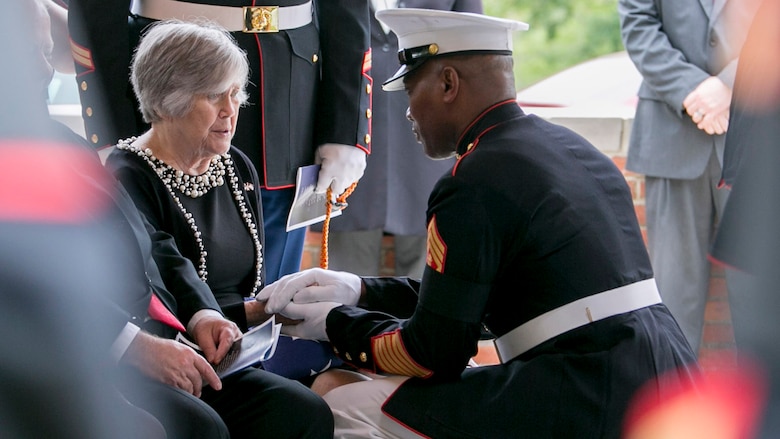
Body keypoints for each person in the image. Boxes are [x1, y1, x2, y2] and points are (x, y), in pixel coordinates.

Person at [258, 9, 700, 438]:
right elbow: (467, 300)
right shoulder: (571, 148)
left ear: (448, 83)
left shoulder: (471, 180)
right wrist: (358, 290)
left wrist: (336, 324)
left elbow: (432, 355)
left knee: (343, 405)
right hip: (666, 375)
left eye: (410, 90)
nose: (408, 113)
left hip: (587, 394)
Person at [20, 4, 335, 438]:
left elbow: (154, 246)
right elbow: (31, 284)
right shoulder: (122, 167)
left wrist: (204, 314)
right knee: (202, 427)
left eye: (47, 51)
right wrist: (132, 346)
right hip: (74, 353)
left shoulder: (63, 146)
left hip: (161, 335)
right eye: (29, 52)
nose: (46, 70)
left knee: (301, 411)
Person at [106, 19, 366, 391]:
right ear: (167, 101)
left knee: (358, 350)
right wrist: (252, 313)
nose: (231, 110)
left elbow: (252, 284)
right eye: (214, 96)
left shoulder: (235, 164)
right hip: (187, 357)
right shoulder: (128, 175)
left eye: (236, 93)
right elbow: (157, 302)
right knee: (320, 394)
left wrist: (279, 305)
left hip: (243, 340)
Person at [66, 0, 371, 286]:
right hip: (174, 87)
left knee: (273, 306)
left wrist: (346, 127)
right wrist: (110, 128)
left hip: (286, 103)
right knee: (166, 295)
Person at [618, 0, 762, 354]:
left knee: (760, 292)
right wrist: (691, 89)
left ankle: (765, 404)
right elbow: (638, 24)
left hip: (754, 133)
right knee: (673, 296)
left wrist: (730, 84)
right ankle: (675, 399)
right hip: (672, 131)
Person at [317, 0, 482, 279]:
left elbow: (475, 49)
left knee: (428, 273)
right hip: (350, 142)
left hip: (429, 149)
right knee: (341, 279)